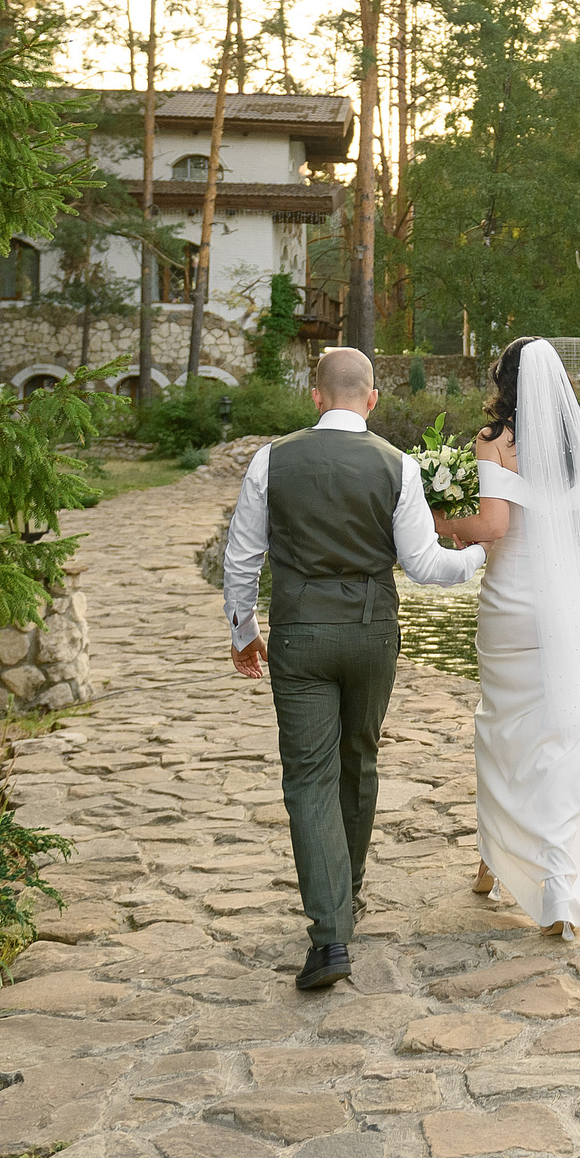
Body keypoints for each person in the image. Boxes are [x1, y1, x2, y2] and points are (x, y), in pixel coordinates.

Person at [221, 346, 485, 990]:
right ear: (372, 399)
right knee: (359, 760)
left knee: (309, 778)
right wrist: (480, 553)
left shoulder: (270, 459)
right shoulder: (397, 465)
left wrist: (244, 631)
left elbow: (242, 559)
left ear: (315, 397)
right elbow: (425, 567)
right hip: (372, 634)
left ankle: (330, 936)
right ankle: (350, 893)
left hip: (301, 635)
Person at [434, 338, 580, 937]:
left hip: (510, 608)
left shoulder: (494, 443)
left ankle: (490, 861)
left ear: (505, 383)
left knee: (501, 731)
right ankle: (556, 890)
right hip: (565, 609)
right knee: (559, 738)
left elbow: (493, 526)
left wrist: (433, 518)